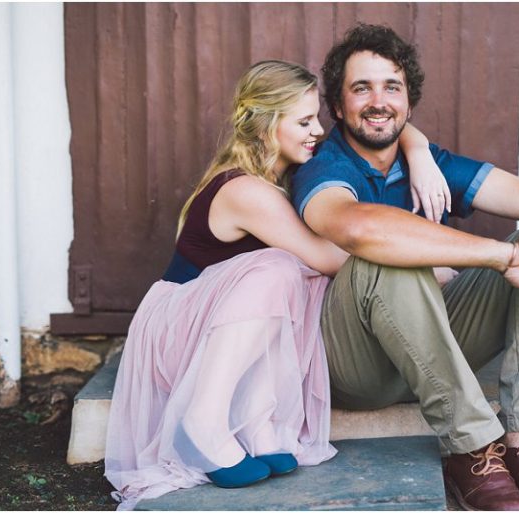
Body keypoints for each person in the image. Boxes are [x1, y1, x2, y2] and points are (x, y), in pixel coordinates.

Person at [103, 60, 450, 510]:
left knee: (294, 276)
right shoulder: (245, 190)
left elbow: (386, 129)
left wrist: (417, 148)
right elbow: (328, 258)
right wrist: (430, 266)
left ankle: (256, 420)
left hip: (209, 330)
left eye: (316, 119)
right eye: (304, 122)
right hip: (177, 333)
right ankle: (202, 421)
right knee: (283, 268)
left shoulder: (279, 180)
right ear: (266, 124)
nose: (317, 131)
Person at [291, 24, 519, 511]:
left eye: (392, 87)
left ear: (409, 103)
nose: (378, 101)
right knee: (387, 254)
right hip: (356, 367)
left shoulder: (430, 163)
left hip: (431, 342)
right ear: (339, 106)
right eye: (361, 88)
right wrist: (499, 255)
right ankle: (471, 448)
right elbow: (361, 229)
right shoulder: (323, 167)